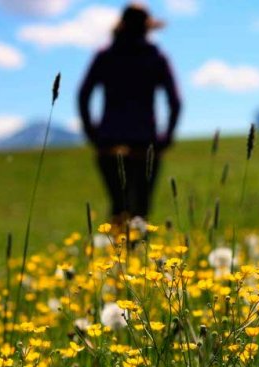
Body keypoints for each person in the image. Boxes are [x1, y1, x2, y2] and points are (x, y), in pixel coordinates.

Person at [78, 3, 181, 225]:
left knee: (118, 206)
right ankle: (136, 256)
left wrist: (92, 134)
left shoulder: (105, 56)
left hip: (109, 142)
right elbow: (175, 101)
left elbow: (83, 95)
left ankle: (117, 257)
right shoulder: (156, 57)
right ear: (147, 28)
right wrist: (167, 137)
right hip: (146, 144)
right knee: (141, 209)